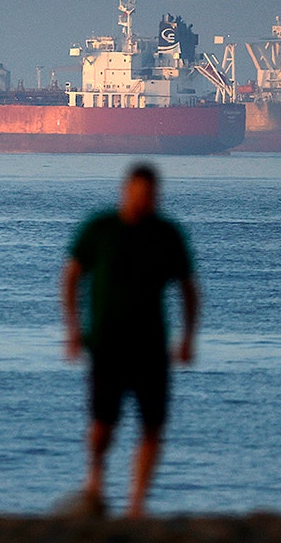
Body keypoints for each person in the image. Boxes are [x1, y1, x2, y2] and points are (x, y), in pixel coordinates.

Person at [60, 162, 200, 519]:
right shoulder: (100, 229)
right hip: (106, 344)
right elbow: (72, 276)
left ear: (157, 196)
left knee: (153, 425)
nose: (143, 202)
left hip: (152, 347)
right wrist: (73, 330)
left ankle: (136, 503)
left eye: (150, 196)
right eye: (138, 195)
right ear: (126, 192)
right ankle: (95, 480)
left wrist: (188, 338)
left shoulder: (167, 234)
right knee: (101, 426)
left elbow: (188, 289)